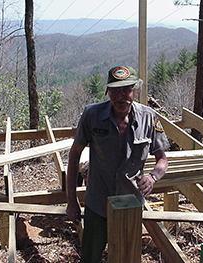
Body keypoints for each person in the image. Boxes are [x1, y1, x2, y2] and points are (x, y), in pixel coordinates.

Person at [66, 66, 170, 263]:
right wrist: (71, 201)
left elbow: (162, 159)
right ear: (108, 92)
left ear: (135, 91)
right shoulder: (92, 115)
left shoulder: (149, 118)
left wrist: (153, 177)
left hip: (130, 203)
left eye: (126, 89)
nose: (120, 96)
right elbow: (74, 155)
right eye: (114, 90)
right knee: (90, 256)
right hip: (98, 202)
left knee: (126, 255)